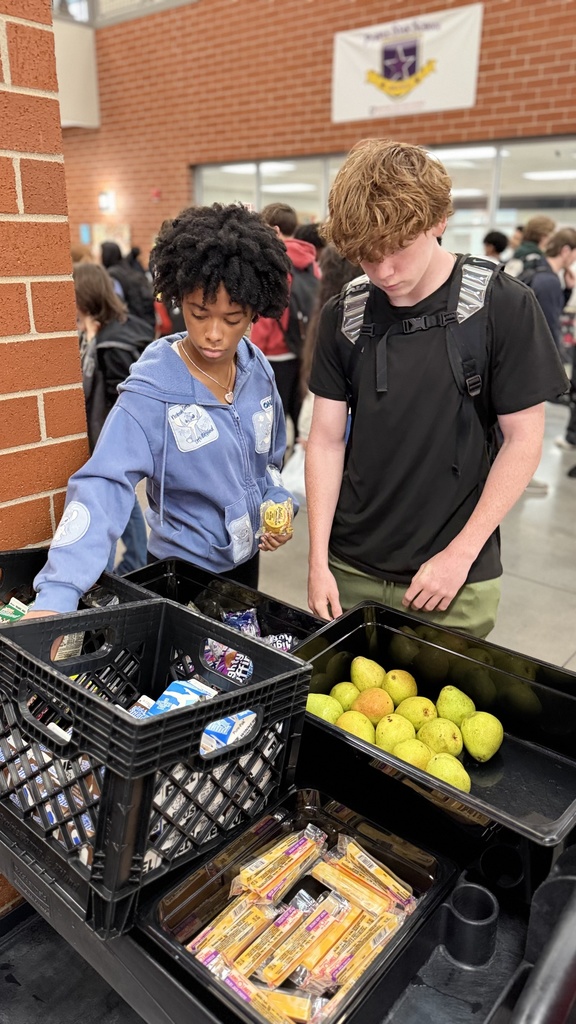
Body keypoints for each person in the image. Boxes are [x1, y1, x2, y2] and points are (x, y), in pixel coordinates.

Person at [305, 139, 568, 637]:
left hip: (455, 579)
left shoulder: (503, 307)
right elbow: (324, 439)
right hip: (349, 568)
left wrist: (461, 554)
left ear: (438, 221)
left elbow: (523, 439)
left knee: (447, 711)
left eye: (396, 249)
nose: (382, 272)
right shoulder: (345, 313)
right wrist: (317, 559)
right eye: (365, 256)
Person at [28, 204, 296, 617]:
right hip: (181, 577)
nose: (213, 334)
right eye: (199, 313)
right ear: (178, 298)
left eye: (233, 318)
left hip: (246, 566)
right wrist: (58, 594)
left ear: (255, 311)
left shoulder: (257, 368)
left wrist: (277, 499)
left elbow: (270, 459)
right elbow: (103, 485)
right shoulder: (151, 393)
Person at [73, 262, 155, 575]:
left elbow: (121, 397)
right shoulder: (119, 327)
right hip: (113, 439)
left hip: (111, 439)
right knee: (125, 501)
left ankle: (105, 578)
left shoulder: (110, 342)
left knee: (106, 507)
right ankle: (136, 559)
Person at [251, 203, 320, 438]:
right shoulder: (312, 263)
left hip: (274, 355)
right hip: (303, 349)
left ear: (276, 230)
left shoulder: (274, 264)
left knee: (270, 424)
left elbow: (268, 315)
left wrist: (254, 351)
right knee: (300, 416)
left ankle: (275, 468)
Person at [100, 241, 156, 330]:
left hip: (129, 324)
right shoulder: (126, 267)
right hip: (143, 321)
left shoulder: (112, 274)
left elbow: (116, 302)